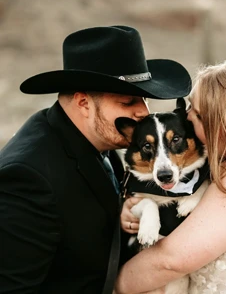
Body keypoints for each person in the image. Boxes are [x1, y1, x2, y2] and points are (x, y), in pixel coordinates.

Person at [0, 25, 192, 294]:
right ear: (83, 103)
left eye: (145, 100)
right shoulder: (27, 176)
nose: (143, 113)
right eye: (128, 102)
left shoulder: (101, 137)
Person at [115, 57, 226, 294]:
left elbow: (170, 261)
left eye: (198, 113)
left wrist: (112, 285)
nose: (187, 116)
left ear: (224, 126)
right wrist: (139, 207)